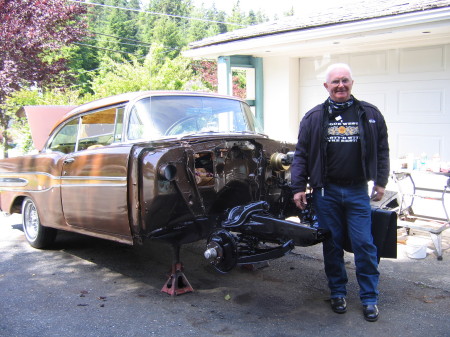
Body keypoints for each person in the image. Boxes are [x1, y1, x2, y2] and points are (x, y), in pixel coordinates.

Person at [291, 63, 390, 322]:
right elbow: (301, 154)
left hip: (358, 191)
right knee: (332, 245)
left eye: (345, 80)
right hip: (326, 192)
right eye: (335, 82)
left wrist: (381, 181)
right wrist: (298, 187)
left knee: (365, 245)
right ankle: (337, 292)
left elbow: (382, 149)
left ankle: (369, 298)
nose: (340, 85)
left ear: (352, 83)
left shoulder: (369, 113)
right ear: (327, 86)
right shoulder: (314, 117)